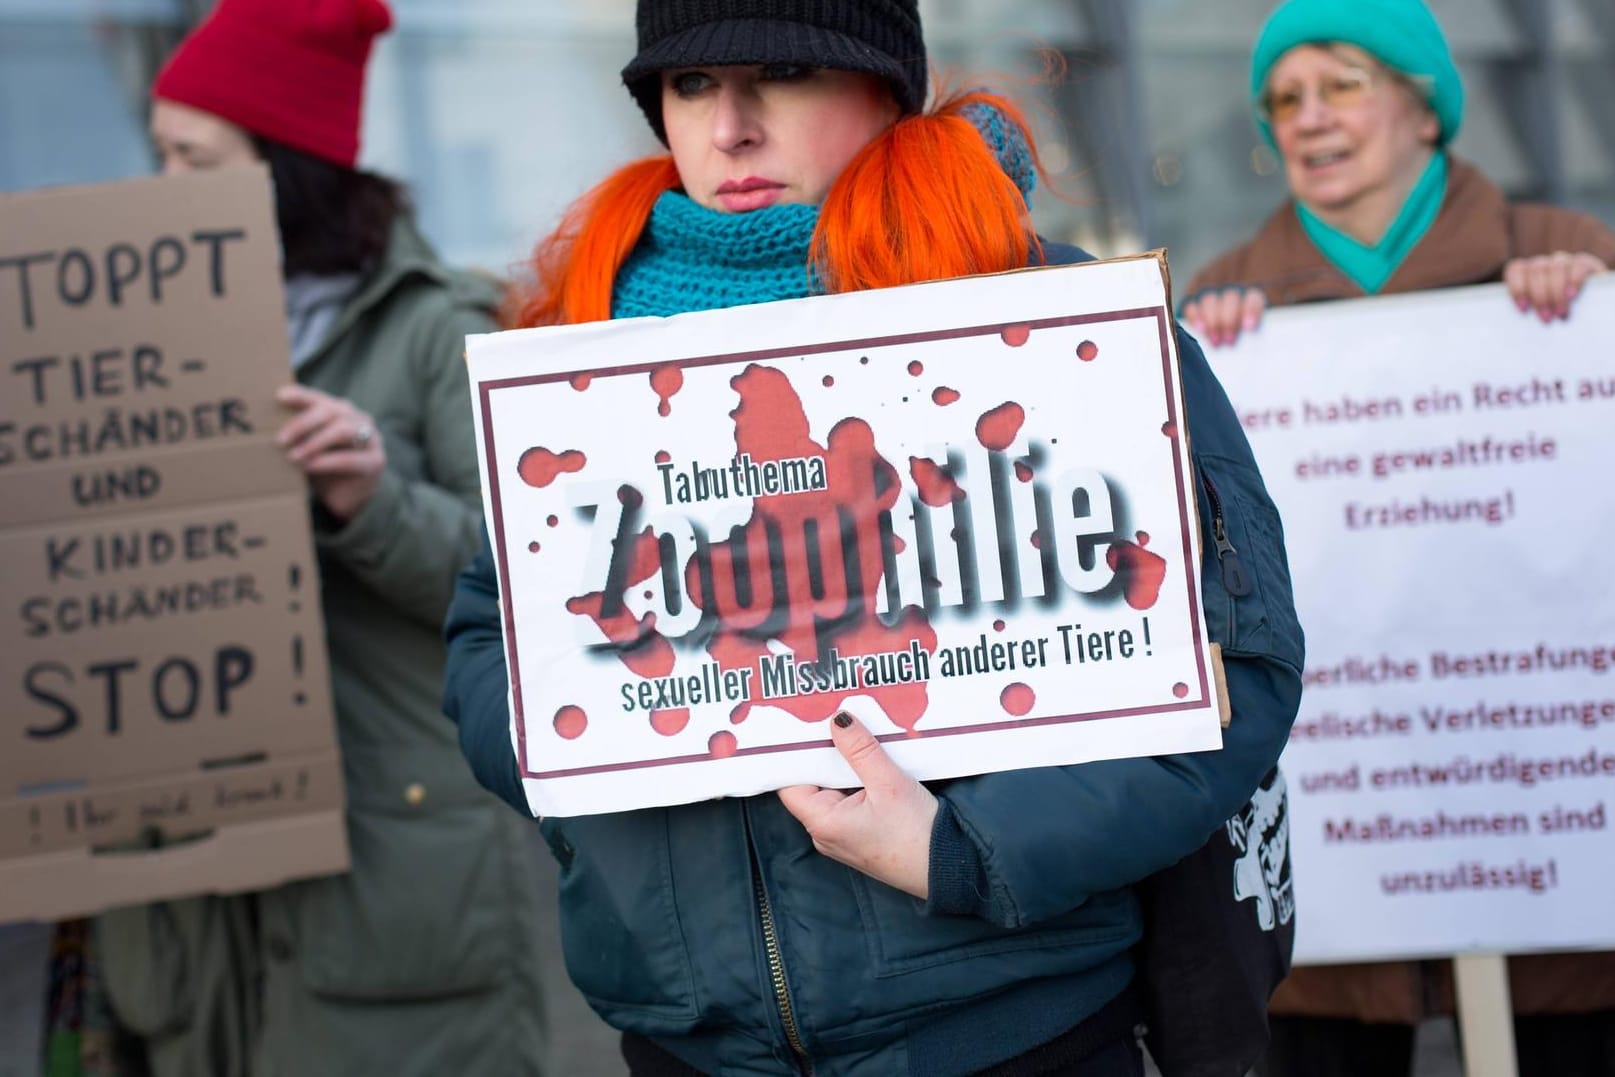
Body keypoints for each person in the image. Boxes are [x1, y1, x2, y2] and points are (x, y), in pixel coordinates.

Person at [443, 2, 1305, 1074]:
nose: (731, 128)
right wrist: (592, 734)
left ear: (885, 87)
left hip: (1016, 1031)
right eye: (690, 85)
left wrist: (965, 851)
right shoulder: (578, 355)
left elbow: (1235, 665)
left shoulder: (1052, 328)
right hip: (689, 1043)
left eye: (787, 72)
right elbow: (487, 643)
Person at [89, 1, 550, 1074]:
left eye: (192, 159)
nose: (164, 192)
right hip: (189, 893)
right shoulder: (127, 347)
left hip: (387, 883)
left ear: (283, 172)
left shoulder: (439, 327)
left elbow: (535, 586)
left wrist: (372, 498)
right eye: (158, 156)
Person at [1178, 3, 1615, 1076]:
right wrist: (1210, 365)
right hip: (1339, 868)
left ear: (1426, 110)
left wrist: (1588, 326)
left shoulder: (1569, 264)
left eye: (1342, 85)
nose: (1307, 118)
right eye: (1283, 99)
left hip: (1542, 831)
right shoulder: (1225, 314)